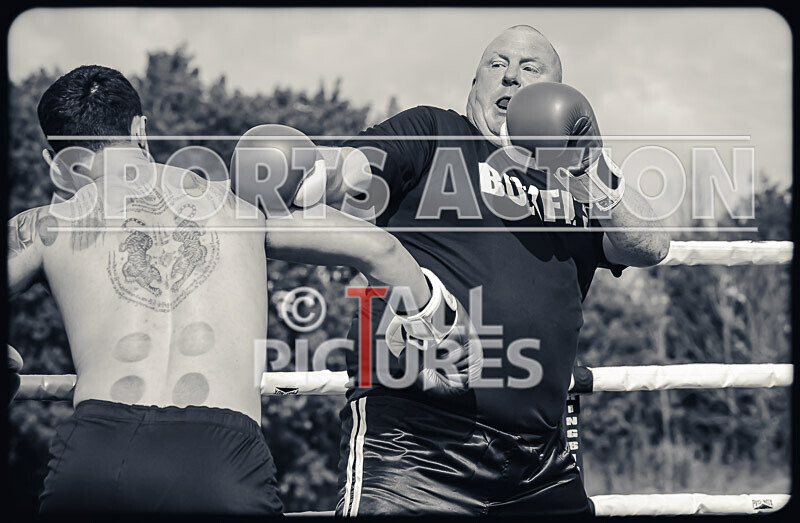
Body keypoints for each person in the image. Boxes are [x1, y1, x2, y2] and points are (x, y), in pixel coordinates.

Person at [8, 65, 479, 513]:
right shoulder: (235, 205)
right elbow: (381, 250)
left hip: (96, 453)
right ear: (140, 130)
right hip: (218, 458)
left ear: (54, 161)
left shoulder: (46, 226)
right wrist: (440, 336)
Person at [291, 25, 671, 516]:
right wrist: (308, 168)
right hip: (417, 445)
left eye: (530, 68)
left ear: (559, 95)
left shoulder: (577, 185)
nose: (511, 77)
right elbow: (354, 168)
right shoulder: (435, 133)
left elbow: (650, 245)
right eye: (497, 65)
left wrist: (589, 165)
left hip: (540, 460)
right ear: (475, 86)